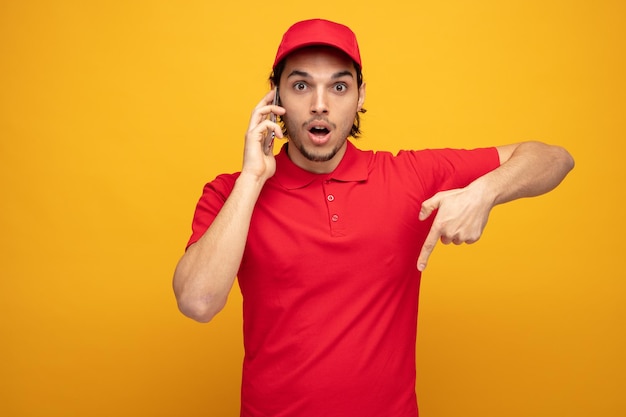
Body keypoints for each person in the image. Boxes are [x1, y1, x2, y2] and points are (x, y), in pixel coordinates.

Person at [173, 18, 574, 417]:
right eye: (300, 85)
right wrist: (252, 177)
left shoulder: (408, 178)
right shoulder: (230, 193)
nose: (319, 103)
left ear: (361, 96)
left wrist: (485, 192)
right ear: (274, 97)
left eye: (339, 86)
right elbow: (198, 302)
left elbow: (554, 158)